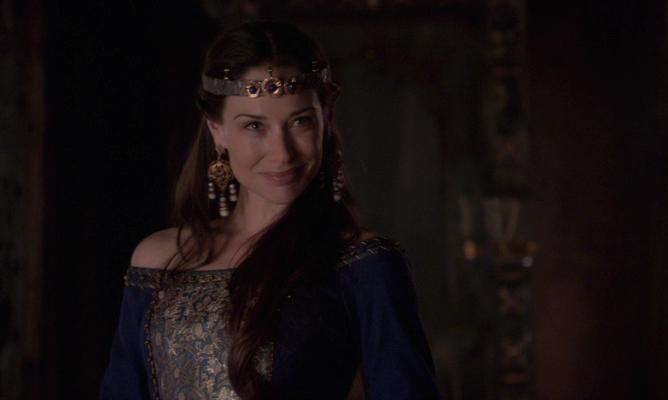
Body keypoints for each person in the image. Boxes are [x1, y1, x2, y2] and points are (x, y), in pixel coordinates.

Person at [100, 20, 439, 399]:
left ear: (325, 122)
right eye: (254, 126)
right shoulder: (159, 261)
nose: (282, 153)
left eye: (300, 122)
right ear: (217, 131)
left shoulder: (363, 265)